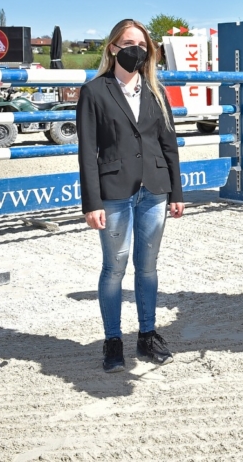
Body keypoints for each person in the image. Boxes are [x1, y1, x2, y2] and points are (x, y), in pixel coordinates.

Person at [77, 19, 184, 373]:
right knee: (114, 268)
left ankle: (148, 334)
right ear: (112, 48)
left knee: (148, 268)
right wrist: (91, 202)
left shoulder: (157, 91)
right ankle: (112, 340)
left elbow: (169, 145)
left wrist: (176, 193)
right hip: (114, 194)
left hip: (154, 190)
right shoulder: (94, 91)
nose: (135, 49)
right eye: (127, 42)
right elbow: (87, 151)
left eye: (141, 43)